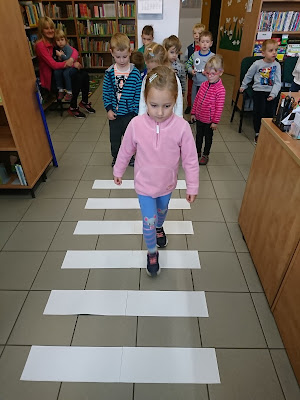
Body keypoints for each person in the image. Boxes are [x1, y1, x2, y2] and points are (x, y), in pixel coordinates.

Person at [113, 66, 199, 276]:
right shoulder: (136, 124)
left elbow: (190, 159)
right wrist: (119, 170)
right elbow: (125, 149)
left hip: (167, 185)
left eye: (167, 106)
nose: (160, 112)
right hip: (144, 186)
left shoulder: (182, 128)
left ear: (175, 101)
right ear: (145, 100)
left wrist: (192, 185)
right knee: (148, 220)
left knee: (161, 213)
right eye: (154, 105)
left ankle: (160, 227)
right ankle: (152, 252)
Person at [35, 16, 95, 118]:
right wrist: (71, 63)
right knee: (76, 77)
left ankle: (84, 101)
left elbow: (74, 51)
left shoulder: (54, 40)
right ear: (41, 30)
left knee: (84, 74)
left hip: (63, 70)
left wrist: (71, 60)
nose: (50, 30)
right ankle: (73, 107)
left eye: (51, 27)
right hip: (53, 76)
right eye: (46, 28)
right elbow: (53, 65)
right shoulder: (40, 45)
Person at [103, 33, 142, 167]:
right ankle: (116, 157)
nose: (121, 60)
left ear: (130, 52)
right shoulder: (109, 73)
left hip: (130, 114)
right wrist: (108, 109)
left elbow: (138, 93)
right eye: (117, 57)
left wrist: (135, 112)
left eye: (125, 56)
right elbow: (106, 92)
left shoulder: (135, 73)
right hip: (114, 114)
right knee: (115, 139)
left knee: (130, 138)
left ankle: (130, 157)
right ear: (111, 53)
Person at [240, 38, 281, 144]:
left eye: (276, 50)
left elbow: (278, 82)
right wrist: (243, 85)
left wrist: (273, 94)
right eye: (271, 50)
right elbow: (249, 75)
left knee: (269, 113)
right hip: (258, 91)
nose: (274, 53)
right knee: (259, 112)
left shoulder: (277, 65)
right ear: (263, 53)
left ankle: (267, 132)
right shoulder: (257, 64)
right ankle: (258, 132)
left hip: (271, 92)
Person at [191, 55, 226, 165]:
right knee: (198, 136)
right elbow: (197, 99)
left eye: (213, 74)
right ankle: (197, 151)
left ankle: (205, 154)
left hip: (209, 121)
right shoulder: (203, 85)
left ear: (220, 73)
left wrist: (215, 121)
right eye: (207, 73)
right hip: (200, 117)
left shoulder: (220, 90)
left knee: (208, 139)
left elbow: (219, 108)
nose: (209, 76)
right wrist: (193, 112)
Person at [138, 43, 183, 116]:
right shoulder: (147, 78)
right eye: (148, 69)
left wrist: (179, 119)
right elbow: (142, 101)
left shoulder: (173, 78)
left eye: (153, 69)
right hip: (152, 116)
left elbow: (179, 102)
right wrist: (141, 118)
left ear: (163, 64)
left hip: (168, 116)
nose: (150, 72)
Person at [186, 30, 215, 105]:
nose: (205, 44)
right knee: (194, 101)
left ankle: (203, 115)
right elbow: (188, 64)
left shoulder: (212, 56)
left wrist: (208, 72)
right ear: (198, 43)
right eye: (202, 42)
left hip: (208, 85)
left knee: (205, 103)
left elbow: (216, 70)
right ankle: (194, 115)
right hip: (195, 83)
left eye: (207, 42)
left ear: (211, 43)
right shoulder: (194, 55)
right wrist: (191, 70)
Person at [184, 23, 205, 114]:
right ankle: (189, 105)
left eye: (199, 33)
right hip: (191, 74)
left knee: (200, 92)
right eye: (195, 33)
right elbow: (185, 60)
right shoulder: (189, 48)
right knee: (190, 91)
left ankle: (199, 107)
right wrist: (187, 70)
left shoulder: (204, 48)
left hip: (202, 76)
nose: (197, 35)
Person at [52, 29, 76, 101]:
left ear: (65, 40)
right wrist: (59, 58)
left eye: (62, 39)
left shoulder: (67, 48)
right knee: (56, 72)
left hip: (70, 66)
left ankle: (69, 91)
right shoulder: (57, 49)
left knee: (66, 73)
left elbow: (67, 58)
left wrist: (61, 55)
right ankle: (61, 89)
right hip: (63, 66)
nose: (60, 42)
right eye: (58, 40)